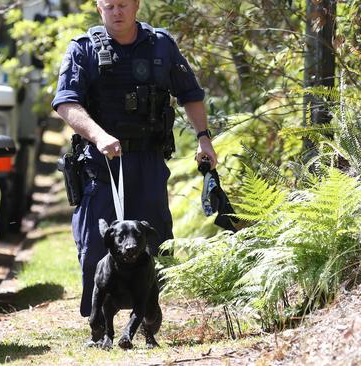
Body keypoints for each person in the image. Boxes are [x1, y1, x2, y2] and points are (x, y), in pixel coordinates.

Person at [51, 0, 218, 317]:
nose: (117, 12)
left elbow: (190, 94)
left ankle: (145, 313)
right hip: (102, 165)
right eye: (109, 5)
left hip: (148, 161)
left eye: (123, 4)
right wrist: (99, 136)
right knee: (96, 246)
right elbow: (65, 103)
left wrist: (203, 138)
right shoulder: (83, 50)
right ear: (100, 9)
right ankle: (100, 318)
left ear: (136, 5)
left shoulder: (161, 45)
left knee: (154, 240)